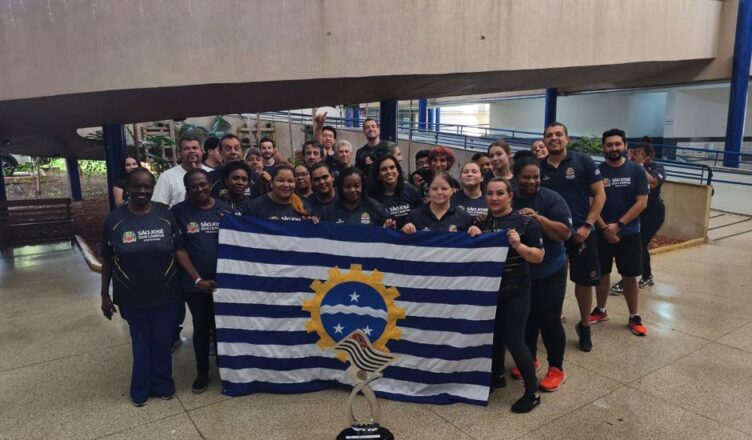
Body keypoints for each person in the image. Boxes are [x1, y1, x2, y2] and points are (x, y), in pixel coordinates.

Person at [100, 168, 182, 407]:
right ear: (127, 188)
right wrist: (104, 295)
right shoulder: (114, 220)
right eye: (137, 186)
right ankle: (141, 387)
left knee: (162, 340)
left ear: (153, 188)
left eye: (147, 186)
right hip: (131, 295)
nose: (142, 191)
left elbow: (179, 250)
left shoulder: (166, 215)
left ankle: (163, 383)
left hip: (166, 292)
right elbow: (107, 260)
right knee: (140, 341)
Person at [478, 176, 544, 413]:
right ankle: (496, 377)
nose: (494, 198)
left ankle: (533, 392)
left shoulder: (525, 222)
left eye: (500, 193)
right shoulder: (482, 222)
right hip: (490, 292)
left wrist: (518, 245)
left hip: (517, 290)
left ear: (510, 196)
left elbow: (538, 256)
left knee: (515, 341)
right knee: (493, 337)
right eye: (489, 193)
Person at [539, 122, 606, 352]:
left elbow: (600, 195)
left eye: (559, 134)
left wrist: (588, 225)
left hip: (581, 232)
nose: (554, 138)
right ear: (544, 140)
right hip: (551, 234)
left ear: (567, 138)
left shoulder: (583, 161)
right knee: (549, 281)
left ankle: (585, 326)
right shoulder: (538, 167)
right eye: (549, 135)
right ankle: (551, 322)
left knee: (584, 282)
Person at [511, 151, 572, 392]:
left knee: (549, 319)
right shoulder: (509, 198)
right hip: (521, 272)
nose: (532, 181)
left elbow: (564, 233)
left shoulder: (552, 198)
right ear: (516, 177)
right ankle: (530, 359)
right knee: (526, 318)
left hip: (550, 270)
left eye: (536, 177)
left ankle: (556, 368)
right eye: (526, 177)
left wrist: (538, 218)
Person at [172, 169, 227, 394]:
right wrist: (197, 279)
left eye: (203, 184)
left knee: (223, 327)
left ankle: (227, 369)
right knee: (202, 327)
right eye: (193, 186)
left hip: (224, 283)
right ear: (187, 189)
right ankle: (202, 372)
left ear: (210, 184)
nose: (199, 189)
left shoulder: (226, 210)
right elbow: (179, 249)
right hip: (195, 285)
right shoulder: (178, 212)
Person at [591, 129, 649, 336]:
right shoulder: (597, 171)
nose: (613, 148)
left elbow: (642, 202)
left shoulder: (636, 170)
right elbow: (592, 202)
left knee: (630, 276)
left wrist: (619, 225)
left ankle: (634, 316)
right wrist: (604, 228)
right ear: (603, 147)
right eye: (609, 144)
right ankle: (601, 310)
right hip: (601, 232)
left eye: (617, 144)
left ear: (625, 146)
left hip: (629, 232)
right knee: (602, 273)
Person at [612, 139, 666, 293]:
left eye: (640, 154)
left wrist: (639, 165)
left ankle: (627, 280)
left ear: (649, 156)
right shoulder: (629, 167)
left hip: (653, 213)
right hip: (636, 212)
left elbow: (653, 182)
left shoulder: (657, 167)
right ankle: (647, 276)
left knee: (640, 243)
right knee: (640, 243)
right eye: (635, 153)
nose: (636, 156)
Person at [401, 172, 476, 233]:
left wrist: (476, 232)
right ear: (428, 190)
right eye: (434, 189)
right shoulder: (414, 216)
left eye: (444, 189)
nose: (439, 192)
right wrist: (404, 231)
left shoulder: (464, 217)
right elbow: (403, 243)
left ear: (452, 190)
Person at [321, 167, 392, 226]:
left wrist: (390, 226)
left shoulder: (376, 208)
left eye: (356, 186)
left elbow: (388, 232)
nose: (352, 190)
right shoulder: (329, 211)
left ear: (362, 186)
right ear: (341, 187)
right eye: (347, 186)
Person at [152, 135, 209, 208]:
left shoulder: (211, 173)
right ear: (179, 154)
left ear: (202, 151)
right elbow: (159, 206)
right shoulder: (167, 176)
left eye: (195, 148)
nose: (191, 151)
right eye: (186, 149)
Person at [243, 165, 315, 222]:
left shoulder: (304, 207)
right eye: (281, 180)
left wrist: (313, 223)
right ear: (271, 183)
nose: (286, 185)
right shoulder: (254, 207)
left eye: (290, 181)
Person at [369, 155, 422, 229]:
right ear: (378, 175)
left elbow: (422, 217)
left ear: (398, 171)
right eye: (384, 169)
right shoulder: (372, 198)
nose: (389, 171)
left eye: (392, 167)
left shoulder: (412, 191)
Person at [209, 134, 262, 199]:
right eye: (228, 149)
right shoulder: (211, 178)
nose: (233, 152)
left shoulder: (254, 177)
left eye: (236, 149)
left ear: (242, 151)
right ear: (220, 152)